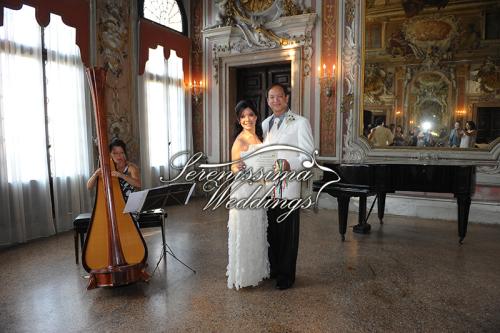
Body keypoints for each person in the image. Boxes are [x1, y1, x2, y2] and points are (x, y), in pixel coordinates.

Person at [262, 83, 314, 290]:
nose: (275, 100)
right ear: (268, 101)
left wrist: (289, 165)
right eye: (271, 97)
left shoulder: (300, 122)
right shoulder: (266, 124)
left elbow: (308, 156)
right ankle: (274, 268)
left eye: (279, 97)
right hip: (267, 186)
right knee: (271, 230)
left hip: (289, 186)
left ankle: (286, 275)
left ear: (287, 98)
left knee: (287, 232)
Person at [227, 99, 270, 290]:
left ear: (256, 116)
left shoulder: (259, 136)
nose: (247, 119)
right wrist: (244, 172)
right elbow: (233, 168)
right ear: (239, 120)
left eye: (250, 115)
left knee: (256, 231)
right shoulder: (240, 140)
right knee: (244, 232)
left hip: (258, 192)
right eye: (243, 116)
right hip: (244, 191)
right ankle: (243, 275)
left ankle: (256, 271)